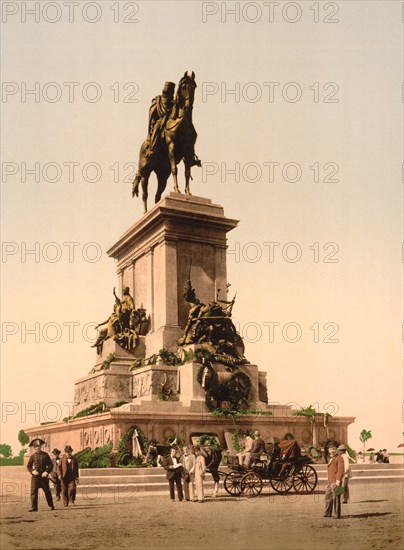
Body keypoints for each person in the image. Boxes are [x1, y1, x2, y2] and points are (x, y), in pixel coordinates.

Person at [147, 81, 175, 156]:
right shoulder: (158, 99)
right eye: (166, 88)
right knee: (156, 128)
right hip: (161, 120)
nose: (166, 90)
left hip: (171, 120)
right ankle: (153, 148)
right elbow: (152, 110)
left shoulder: (174, 102)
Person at [26, 438, 54, 512]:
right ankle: (34, 507)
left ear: (41, 447)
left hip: (43, 477)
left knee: (47, 491)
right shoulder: (33, 456)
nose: (38, 448)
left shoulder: (46, 455)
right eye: (36, 447)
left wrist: (47, 472)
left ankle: (51, 505)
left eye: (39, 446)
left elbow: (51, 465)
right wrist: (32, 471)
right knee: (33, 492)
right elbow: (28, 466)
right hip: (35, 477)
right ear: (34, 448)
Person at [324, 444, 345, 519]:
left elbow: (341, 470)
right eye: (330, 450)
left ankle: (337, 514)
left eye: (333, 450)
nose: (331, 452)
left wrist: (338, 480)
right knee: (327, 497)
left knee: (336, 498)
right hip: (330, 481)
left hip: (336, 481)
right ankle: (327, 513)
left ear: (336, 450)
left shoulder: (339, 458)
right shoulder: (331, 458)